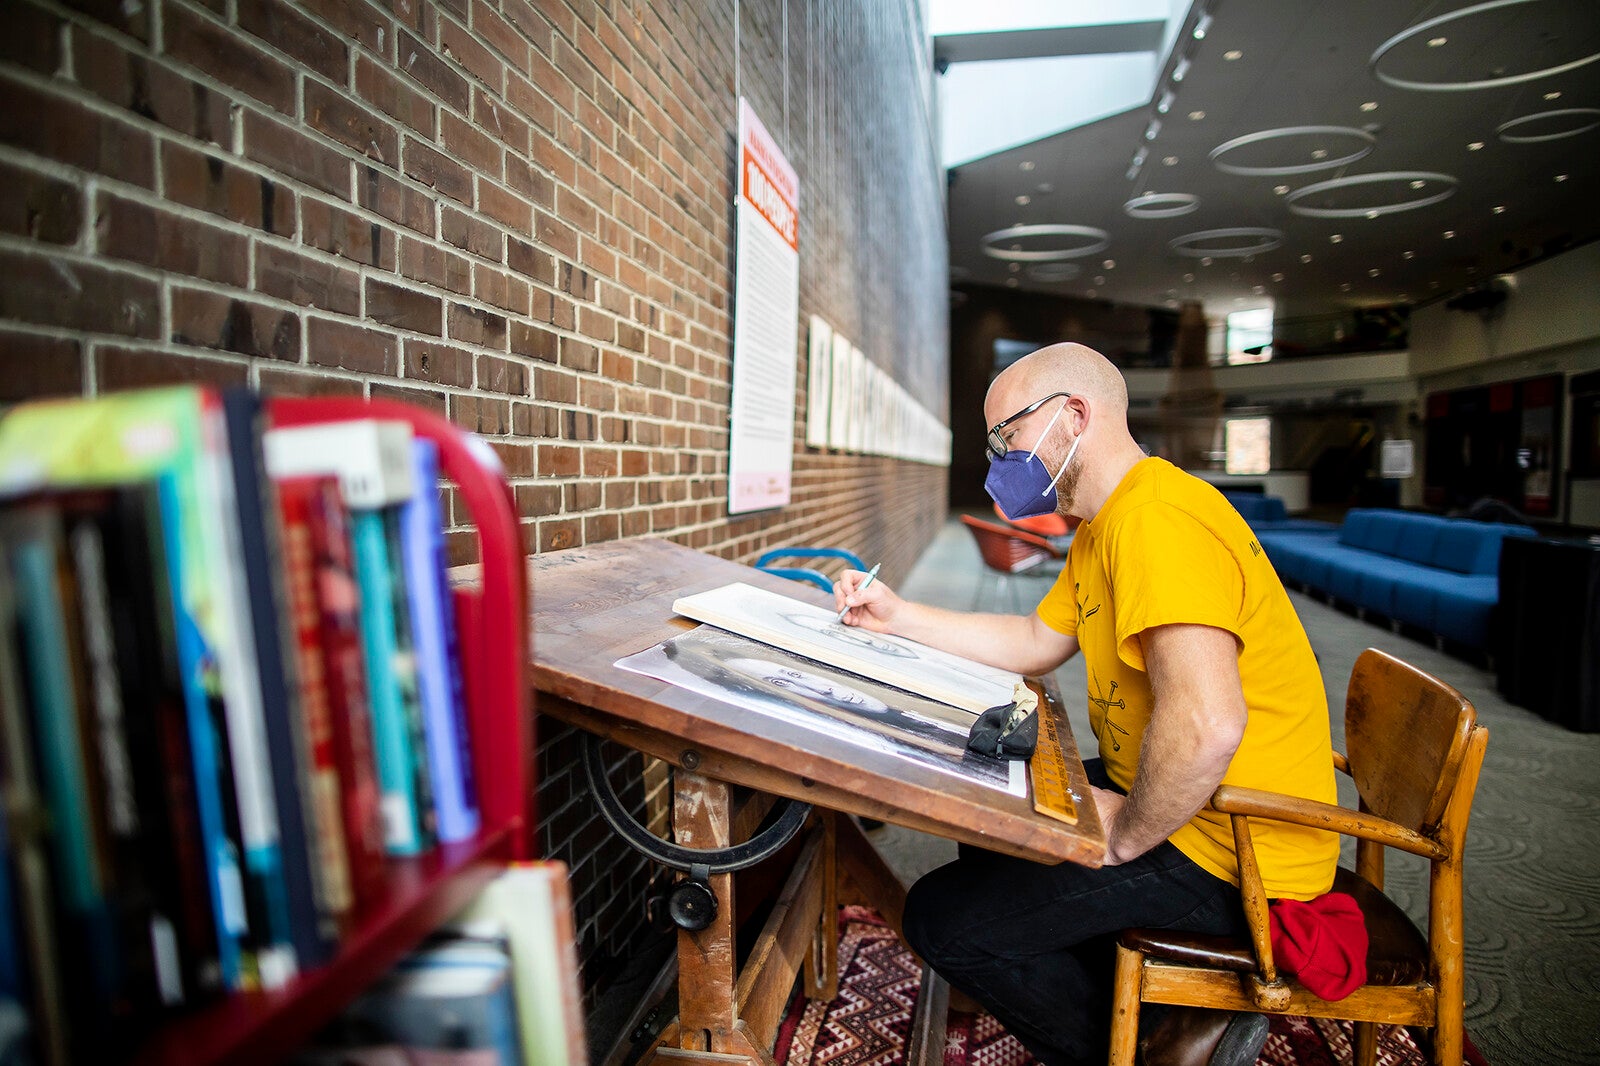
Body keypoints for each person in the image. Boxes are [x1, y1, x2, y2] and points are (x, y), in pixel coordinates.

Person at [833, 343, 1338, 1066]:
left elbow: (1208, 725)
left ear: (1073, 415)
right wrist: (899, 616)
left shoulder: (1158, 523)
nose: (1002, 458)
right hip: (1198, 803)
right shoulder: (1107, 522)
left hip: (1236, 850)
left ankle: (1136, 1048)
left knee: (941, 920)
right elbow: (1038, 638)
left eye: (1008, 435)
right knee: (994, 807)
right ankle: (1147, 995)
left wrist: (1124, 836)